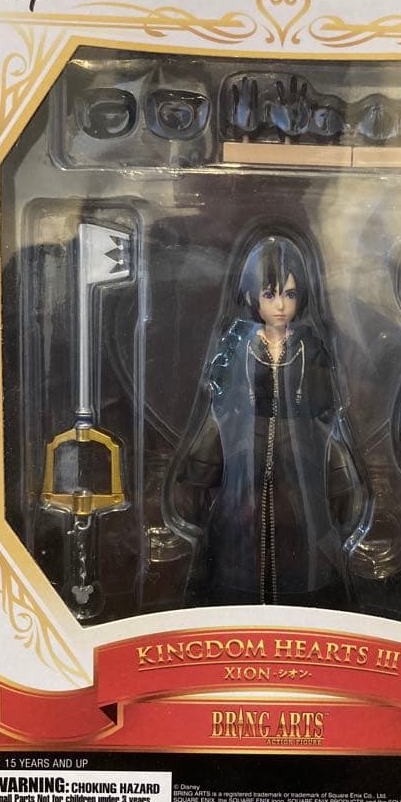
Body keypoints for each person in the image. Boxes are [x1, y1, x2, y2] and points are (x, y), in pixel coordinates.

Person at [165, 229, 365, 608]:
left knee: (302, 530)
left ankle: (306, 600)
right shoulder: (237, 342)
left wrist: (342, 473)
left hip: (302, 450)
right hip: (244, 448)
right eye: (270, 295)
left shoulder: (310, 346)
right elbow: (220, 405)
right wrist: (198, 468)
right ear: (252, 296)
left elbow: (327, 411)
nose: (281, 306)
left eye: (290, 295)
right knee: (238, 532)